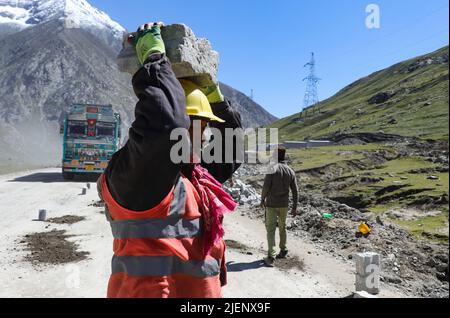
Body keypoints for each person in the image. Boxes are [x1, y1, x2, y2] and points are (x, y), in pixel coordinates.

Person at [97, 22, 243, 298]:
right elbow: (164, 122)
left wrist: (214, 95)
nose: (203, 135)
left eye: (206, 126)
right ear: (181, 124)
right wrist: (153, 61)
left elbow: (232, 148)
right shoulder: (140, 177)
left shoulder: (194, 177)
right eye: (197, 125)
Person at [260, 147, 298, 267]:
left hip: (271, 204)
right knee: (283, 227)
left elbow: (266, 186)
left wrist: (262, 199)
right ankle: (283, 250)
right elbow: (295, 190)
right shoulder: (290, 171)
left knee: (270, 229)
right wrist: (295, 206)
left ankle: (271, 256)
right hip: (284, 204)